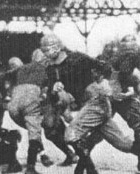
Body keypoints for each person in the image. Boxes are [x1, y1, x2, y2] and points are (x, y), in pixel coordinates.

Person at [64, 67, 140, 174]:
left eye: (96, 71)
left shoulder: (105, 83)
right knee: (124, 145)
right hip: (103, 115)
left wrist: (117, 95)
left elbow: (112, 93)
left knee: (71, 136)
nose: (94, 73)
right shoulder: (104, 80)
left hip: (97, 112)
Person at [41, 33, 109, 166]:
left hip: (87, 98)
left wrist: (103, 82)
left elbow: (103, 66)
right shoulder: (49, 68)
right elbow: (49, 89)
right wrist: (52, 89)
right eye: (44, 51)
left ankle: (85, 152)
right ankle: (71, 154)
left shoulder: (77, 58)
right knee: (49, 126)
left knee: (104, 131)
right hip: (66, 100)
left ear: (58, 47)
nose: (46, 54)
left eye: (48, 49)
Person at [0, 49, 54, 174]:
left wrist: (6, 93)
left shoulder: (22, 68)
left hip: (14, 102)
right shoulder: (46, 69)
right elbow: (48, 91)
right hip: (30, 97)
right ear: (42, 59)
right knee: (34, 131)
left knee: (22, 129)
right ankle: (30, 168)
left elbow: (1, 77)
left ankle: (15, 162)